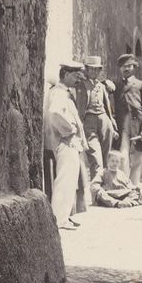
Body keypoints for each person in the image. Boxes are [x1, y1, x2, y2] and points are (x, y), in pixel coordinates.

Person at [44, 60, 88, 231]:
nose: (78, 79)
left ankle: (64, 216)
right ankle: (59, 219)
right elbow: (54, 113)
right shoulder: (59, 93)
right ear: (67, 74)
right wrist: (69, 130)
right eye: (76, 75)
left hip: (70, 143)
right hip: (65, 142)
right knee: (64, 179)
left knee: (70, 180)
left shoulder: (65, 93)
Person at [116, 53, 142, 187]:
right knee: (123, 156)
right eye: (124, 67)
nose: (126, 69)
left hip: (138, 124)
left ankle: (134, 186)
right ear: (120, 69)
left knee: (137, 157)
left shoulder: (141, 85)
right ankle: (124, 184)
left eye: (129, 66)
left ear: (134, 68)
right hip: (122, 125)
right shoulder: (116, 85)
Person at [80, 55, 115, 179]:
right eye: (91, 69)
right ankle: (96, 190)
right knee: (95, 157)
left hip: (104, 121)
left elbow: (107, 105)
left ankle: (104, 185)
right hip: (89, 122)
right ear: (87, 69)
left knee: (106, 157)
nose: (94, 72)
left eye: (97, 69)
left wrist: (111, 124)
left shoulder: (102, 85)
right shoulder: (81, 84)